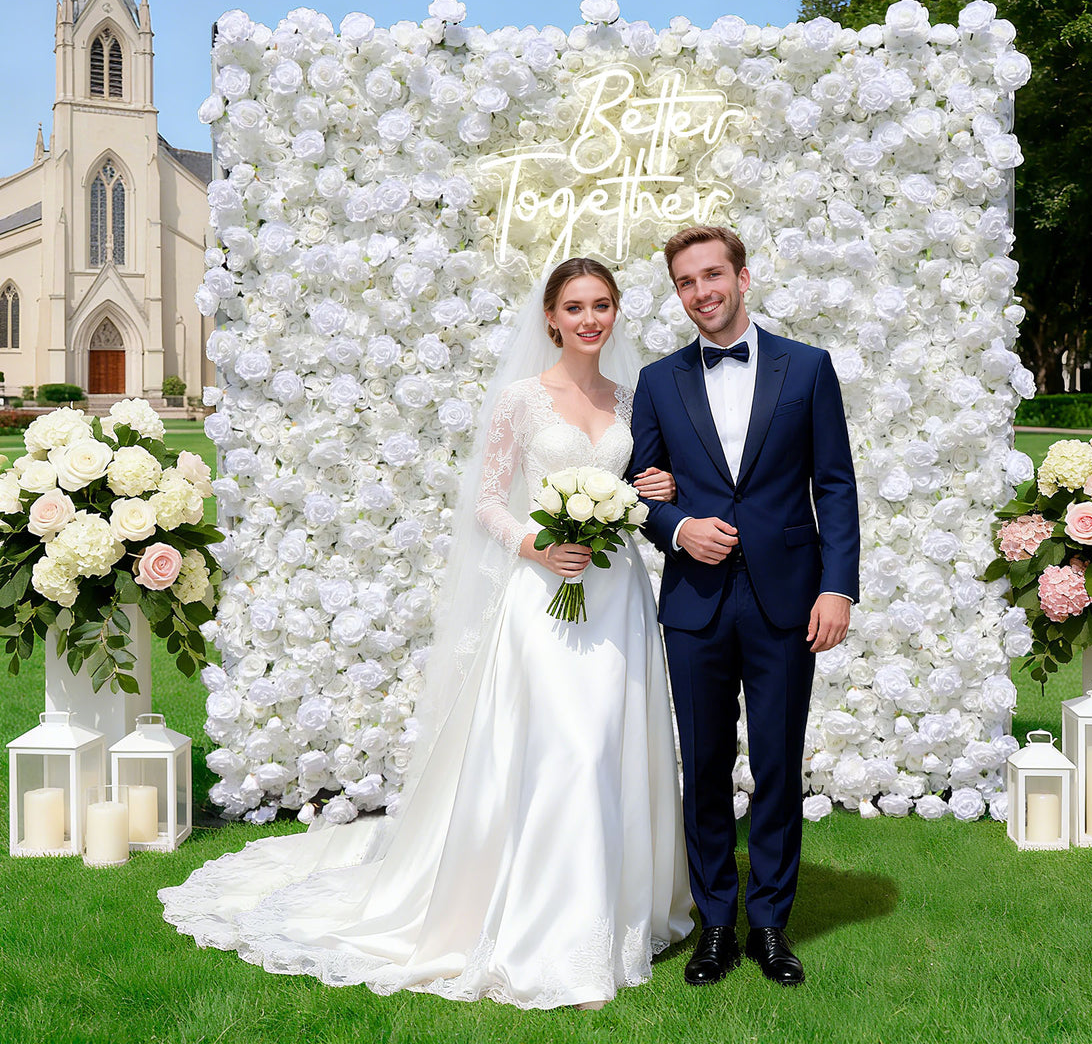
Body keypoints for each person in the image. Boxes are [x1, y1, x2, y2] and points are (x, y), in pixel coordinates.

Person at [159, 257, 694, 1010]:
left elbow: (646, 484)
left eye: (601, 305)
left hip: (616, 597)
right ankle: (549, 926)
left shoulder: (634, 400)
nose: (589, 319)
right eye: (574, 306)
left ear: (615, 313)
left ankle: (618, 910)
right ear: (550, 317)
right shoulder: (520, 399)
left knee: (610, 743)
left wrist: (655, 490)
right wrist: (537, 547)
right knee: (560, 749)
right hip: (544, 594)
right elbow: (485, 502)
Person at [627, 224, 860, 988]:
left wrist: (836, 586)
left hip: (787, 602)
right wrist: (679, 527)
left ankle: (769, 925)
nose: (701, 293)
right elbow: (639, 489)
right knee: (704, 767)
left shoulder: (808, 368)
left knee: (777, 767)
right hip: (694, 605)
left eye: (711, 276)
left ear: (742, 277)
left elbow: (835, 485)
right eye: (687, 283)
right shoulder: (659, 382)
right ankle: (716, 926)